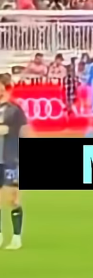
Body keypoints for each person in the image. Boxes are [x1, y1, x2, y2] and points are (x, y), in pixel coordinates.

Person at [0, 74, 31, 250]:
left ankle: (16, 237)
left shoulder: (14, 110)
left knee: (12, 198)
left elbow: (24, 132)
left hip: (10, 158)